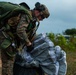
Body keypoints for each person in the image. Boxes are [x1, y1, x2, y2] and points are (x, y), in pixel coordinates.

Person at [0, 1, 50, 75]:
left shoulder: (32, 20)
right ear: (37, 12)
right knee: (8, 63)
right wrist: (28, 43)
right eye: (42, 17)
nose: (41, 19)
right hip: (6, 39)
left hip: (12, 41)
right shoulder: (26, 15)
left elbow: (31, 34)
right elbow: (20, 31)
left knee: (11, 62)